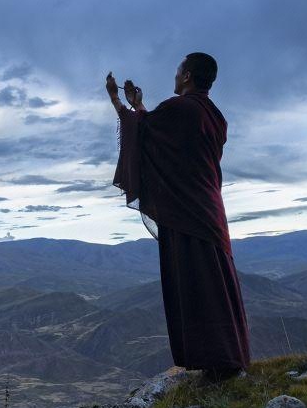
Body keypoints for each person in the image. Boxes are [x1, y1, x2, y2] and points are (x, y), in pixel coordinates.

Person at [106, 53, 251, 383]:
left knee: (195, 283)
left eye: (177, 70)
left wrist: (116, 100)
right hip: (209, 210)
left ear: (186, 76)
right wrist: (138, 104)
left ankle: (216, 363)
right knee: (214, 281)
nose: (174, 76)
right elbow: (160, 134)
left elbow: (141, 130)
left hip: (185, 212)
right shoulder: (214, 116)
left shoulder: (181, 109)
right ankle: (226, 358)